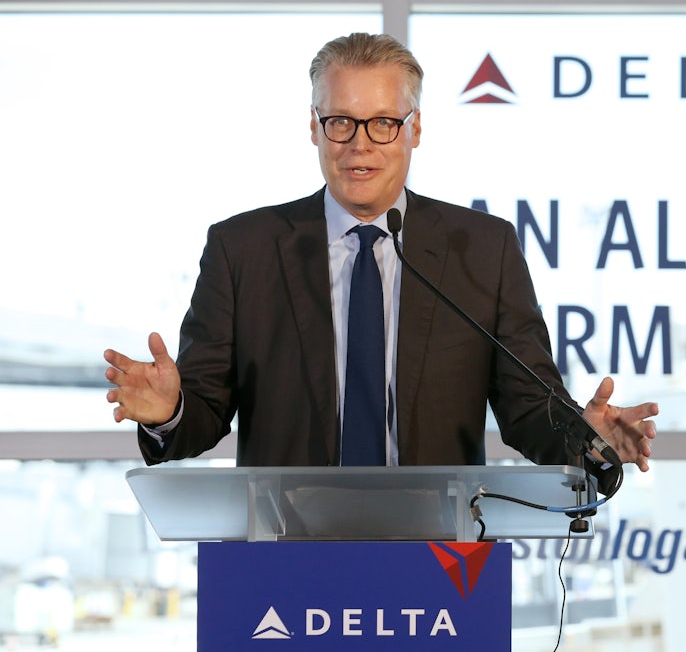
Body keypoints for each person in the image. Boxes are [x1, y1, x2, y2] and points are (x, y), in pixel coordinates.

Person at [103, 32, 657, 492]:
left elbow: (529, 409)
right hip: (285, 551)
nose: (359, 144)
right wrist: (170, 411)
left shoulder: (483, 249)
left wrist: (587, 439)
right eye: (340, 121)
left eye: (383, 123)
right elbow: (202, 412)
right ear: (314, 126)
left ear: (414, 129)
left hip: (438, 556)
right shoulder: (243, 249)